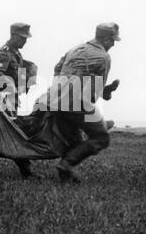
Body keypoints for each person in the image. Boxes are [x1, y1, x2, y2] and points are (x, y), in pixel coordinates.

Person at [36, 23, 121, 183]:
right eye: (112, 40)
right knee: (101, 138)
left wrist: (61, 88)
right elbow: (93, 92)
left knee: (75, 141)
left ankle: (66, 174)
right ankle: (66, 165)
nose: (113, 44)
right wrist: (106, 92)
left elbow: (57, 68)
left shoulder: (75, 49)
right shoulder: (103, 57)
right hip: (75, 103)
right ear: (105, 39)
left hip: (54, 99)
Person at [0, 23, 41, 179]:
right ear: (15, 36)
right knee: (13, 134)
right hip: (3, 99)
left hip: (11, 99)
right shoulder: (4, 53)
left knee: (0, 135)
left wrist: (28, 78)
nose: (25, 41)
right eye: (23, 38)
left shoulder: (16, 53)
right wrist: (11, 86)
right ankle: (27, 172)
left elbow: (19, 71)